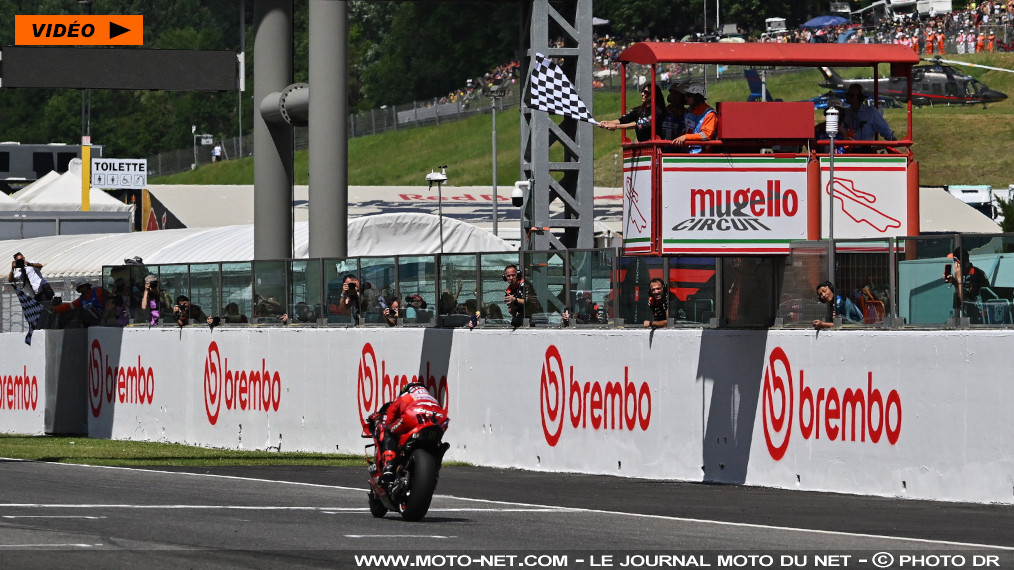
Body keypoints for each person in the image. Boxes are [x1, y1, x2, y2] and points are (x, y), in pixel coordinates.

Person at [372, 382, 448, 485]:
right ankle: (435, 468)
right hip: (440, 422)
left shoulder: (407, 396)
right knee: (436, 443)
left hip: (412, 417)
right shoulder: (433, 399)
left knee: (388, 431)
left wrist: (385, 423)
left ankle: (388, 465)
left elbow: (390, 415)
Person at [597, 83, 666, 142]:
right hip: (644, 148)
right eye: (642, 91)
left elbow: (638, 124)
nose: (642, 94)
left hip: (656, 148)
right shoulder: (639, 110)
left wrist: (616, 126)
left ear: (653, 94)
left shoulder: (658, 111)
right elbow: (623, 120)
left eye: (645, 92)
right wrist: (607, 123)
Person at [943, 246, 989, 323]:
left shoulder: (975, 274)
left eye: (955, 261)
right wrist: (955, 282)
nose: (955, 264)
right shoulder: (964, 274)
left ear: (960, 262)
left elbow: (966, 301)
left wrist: (959, 278)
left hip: (977, 316)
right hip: (965, 314)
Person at [672, 82, 717, 154]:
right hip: (687, 151)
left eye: (689, 96)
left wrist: (685, 137)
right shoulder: (688, 111)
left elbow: (706, 135)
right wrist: (680, 138)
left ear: (697, 97)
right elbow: (685, 130)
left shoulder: (710, 114)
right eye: (686, 95)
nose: (686, 98)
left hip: (703, 154)